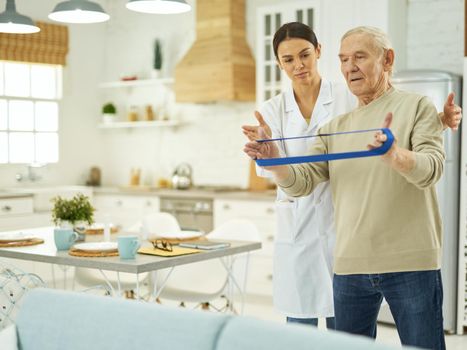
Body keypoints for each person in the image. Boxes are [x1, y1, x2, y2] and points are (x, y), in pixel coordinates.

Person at [242, 22, 462, 330]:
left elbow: (390, 125)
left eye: (304, 54)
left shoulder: (349, 93)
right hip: (307, 221)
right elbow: (282, 171)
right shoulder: (276, 109)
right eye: (288, 60)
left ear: (318, 52)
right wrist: (269, 153)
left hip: (353, 226)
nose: (298, 65)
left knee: (345, 328)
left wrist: (437, 121)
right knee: (301, 324)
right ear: (279, 64)